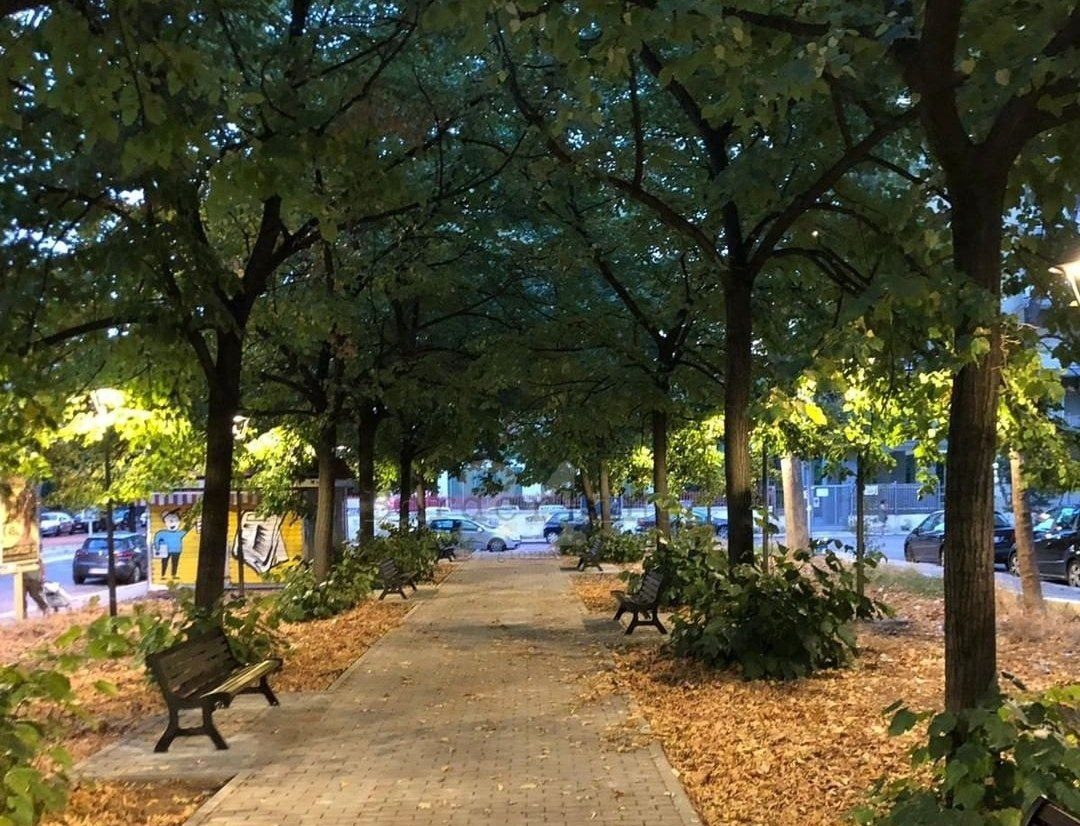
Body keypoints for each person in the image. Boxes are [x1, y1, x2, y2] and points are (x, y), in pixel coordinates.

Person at [153, 510, 189, 579]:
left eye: (175, 520)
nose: (172, 523)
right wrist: (157, 547)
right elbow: (157, 538)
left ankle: (173, 575)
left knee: (174, 563)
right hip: (166, 550)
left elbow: (186, 529)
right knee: (164, 562)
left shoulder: (179, 533)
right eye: (169, 520)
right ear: (165, 522)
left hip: (176, 551)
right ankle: (163, 575)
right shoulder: (162, 533)